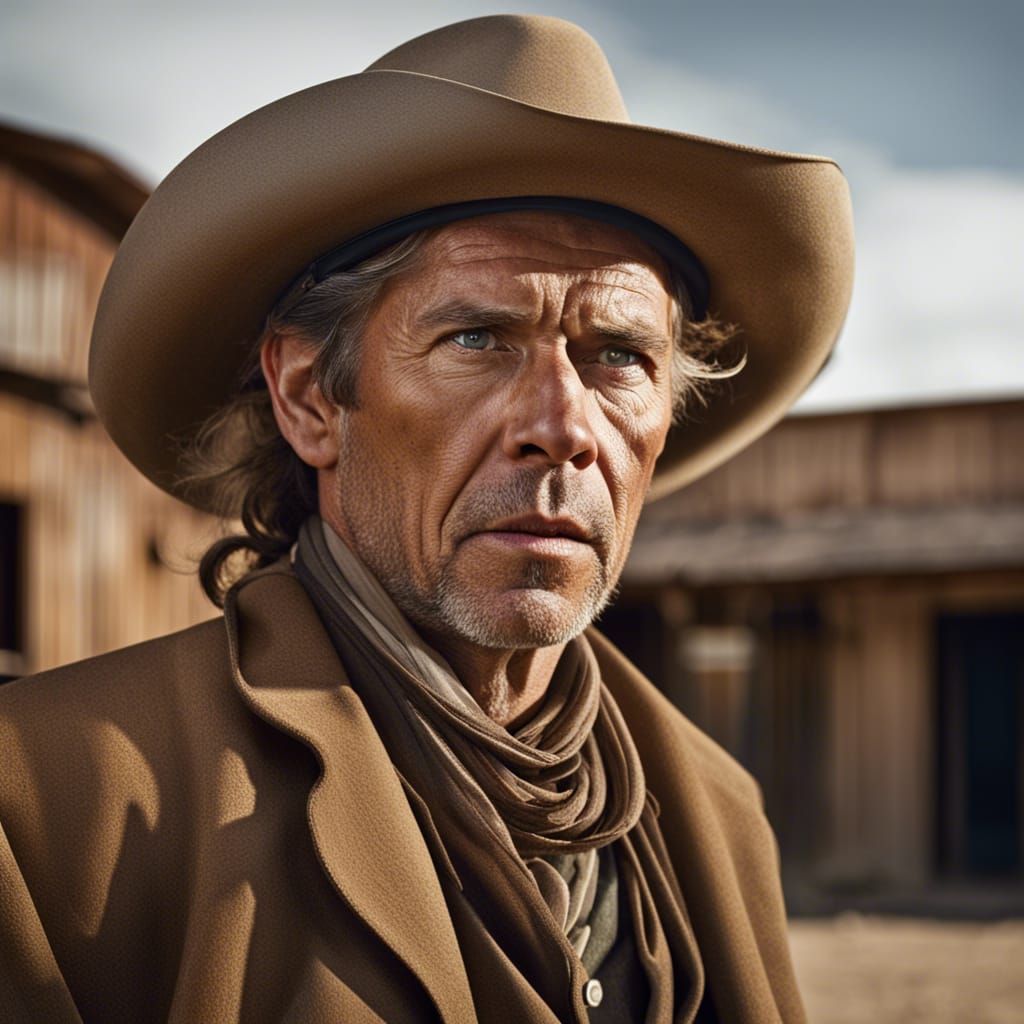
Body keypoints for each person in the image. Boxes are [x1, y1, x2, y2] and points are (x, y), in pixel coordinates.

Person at [0, 14, 853, 1024]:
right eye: (479, 338)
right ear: (310, 398)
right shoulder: (52, 801)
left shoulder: (719, 812)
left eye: (620, 356)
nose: (562, 428)